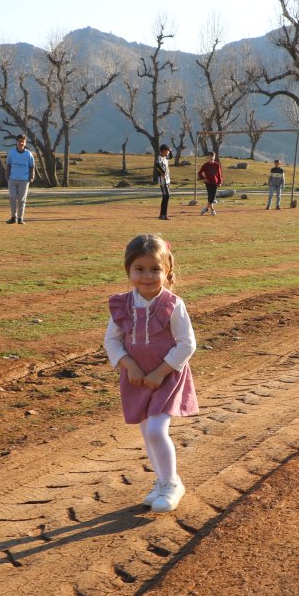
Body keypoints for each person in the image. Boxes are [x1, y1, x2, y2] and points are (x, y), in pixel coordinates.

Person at [103, 234, 198, 513]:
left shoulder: (172, 304)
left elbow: (187, 343)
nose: (147, 276)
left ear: (167, 271)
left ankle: (171, 483)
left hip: (166, 376)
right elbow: (112, 340)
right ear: (128, 271)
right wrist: (128, 364)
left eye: (155, 269)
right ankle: (160, 481)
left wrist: (160, 371)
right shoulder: (122, 304)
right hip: (136, 378)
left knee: (157, 429)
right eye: (140, 269)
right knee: (147, 433)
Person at [6, 135, 36, 224]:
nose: (21, 143)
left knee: (22, 199)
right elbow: (8, 165)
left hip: (24, 180)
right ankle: (13, 217)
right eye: (19, 141)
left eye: (23, 141)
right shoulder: (11, 153)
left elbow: (32, 166)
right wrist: (7, 176)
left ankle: (20, 218)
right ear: (16, 142)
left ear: (25, 143)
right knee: (12, 198)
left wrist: (31, 176)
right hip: (12, 179)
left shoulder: (28, 154)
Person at [155, 144, 172, 220]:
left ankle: (162, 214)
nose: (168, 152)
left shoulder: (165, 158)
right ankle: (163, 215)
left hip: (167, 180)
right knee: (166, 196)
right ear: (164, 151)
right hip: (163, 180)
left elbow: (171, 157)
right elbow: (157, 164)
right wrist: (162, 172)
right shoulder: (160, 158)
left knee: (166, 196)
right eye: (167, 151)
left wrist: (170, 151)